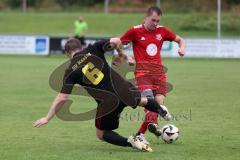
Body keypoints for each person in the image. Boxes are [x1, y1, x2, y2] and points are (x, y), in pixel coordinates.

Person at [33, 37, 171, 152]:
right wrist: (121, 53)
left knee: (101, 133)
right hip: (122, 87)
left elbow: (62, 97)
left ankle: (131, 142)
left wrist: (48, 117)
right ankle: (161, 109)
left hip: (108, 102)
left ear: (68, 53)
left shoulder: (70, 71)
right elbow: (117, 40)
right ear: (81, 47)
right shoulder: (93, 48)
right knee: (143, 100)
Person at [114, 6, 185, 144]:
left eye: (158, 21)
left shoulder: (162, 31)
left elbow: (180, 40)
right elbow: (118, 43)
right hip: (143, 74)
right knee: (150, 103)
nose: (155, 23)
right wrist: (125, 56)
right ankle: (152, 125)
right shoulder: (134, 31)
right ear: (145, 18)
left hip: (159, 75)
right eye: (153, 20)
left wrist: (182, 48)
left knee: (158, 106)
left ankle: (141, 134)